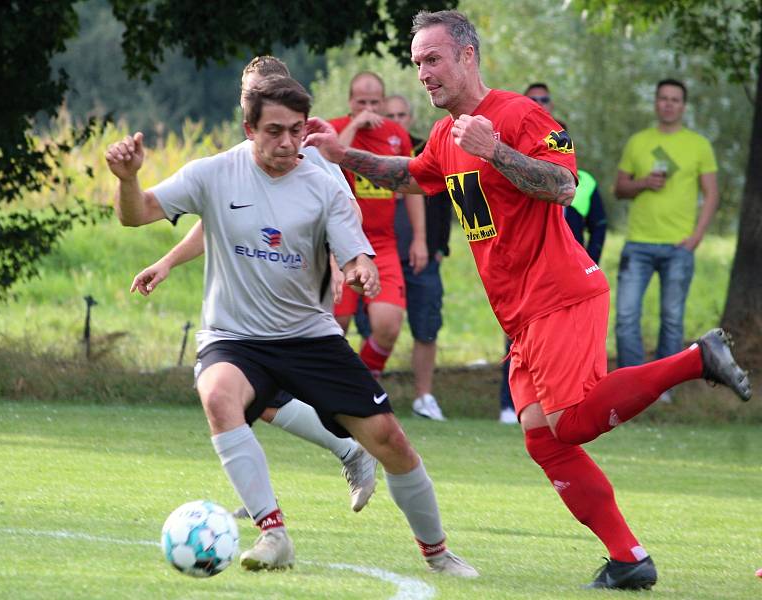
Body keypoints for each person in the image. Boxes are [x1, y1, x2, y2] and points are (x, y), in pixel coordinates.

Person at [304, 9, 751, 590]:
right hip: (521, 314)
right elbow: (411, 175)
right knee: (545, 441)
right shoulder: (445, 133)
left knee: (569, 424)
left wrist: (497, 152)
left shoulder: (518, 116)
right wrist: (343, 157)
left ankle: (696, 359)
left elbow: (564, 185)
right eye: (416, 64)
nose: (424, 74)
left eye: (433, 59)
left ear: (468, 55)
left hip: (560, 293)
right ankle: (629, 557)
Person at [106, 75, 477, 576]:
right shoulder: (214, 173)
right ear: (249, 128)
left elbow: (355, 253)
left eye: (296, 131)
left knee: (390, 441)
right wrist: (128, 180)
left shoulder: (324, 184)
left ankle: (438, 553)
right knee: (218, 396)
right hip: (234, 339)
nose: (287, 143)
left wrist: (361, 270)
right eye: (274, 131)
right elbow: (137, 214)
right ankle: (273, 533)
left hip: (309, 337)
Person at [129, 56, 378, 515]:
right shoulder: (245, 157)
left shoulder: (307, 152)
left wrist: (337, 262)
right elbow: (219, 223)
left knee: (252, 394)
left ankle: (348, 453)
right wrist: (167, 261)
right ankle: (270, 493)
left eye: (254, 93)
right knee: (248, 397)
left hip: (299, 297)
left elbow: (342, 212)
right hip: (252, 307)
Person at [499, 94, 608, 423]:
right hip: (520, 282)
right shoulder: (511, 171)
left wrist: (590, 261)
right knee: (516, 348)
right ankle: (509, 405)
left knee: (573, 416)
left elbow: (598, 225)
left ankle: (691, 363)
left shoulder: (581, 180)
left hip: (564, 281)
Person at [614, 79, 720, 400]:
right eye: (663, 98)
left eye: (675, 99)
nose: (669, 104)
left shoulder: (698, 145)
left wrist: (696, 237)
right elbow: (619, 189)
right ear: (656, 103)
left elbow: (712, 194)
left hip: (678, 247)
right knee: (626, 317)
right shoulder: (638, 142)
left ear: (683, 106)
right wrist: (643, 182)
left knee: (672, 320)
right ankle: (633, 390)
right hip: (638, 243)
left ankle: (662, 390)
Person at [355, 93, 453, 421]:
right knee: (375, 327)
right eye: (390, 114)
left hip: (419, 256)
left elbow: (441, 201)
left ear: (410, 118)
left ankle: (424, 397)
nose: (396, 120)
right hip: (376, 255)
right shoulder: (365, 150)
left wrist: (435, 246)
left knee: (426, 328)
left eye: (402, 114)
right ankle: (365, 393)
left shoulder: (426, 150)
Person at [330, 73, 429, 379]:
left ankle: (362, 381)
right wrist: (356, 125)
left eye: (375, 102)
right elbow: (330, 160)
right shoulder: (334, 129)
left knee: (388, 324)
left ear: (384, 102)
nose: (369, 108)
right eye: (361, 102)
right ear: (350, 102)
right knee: (337, 324)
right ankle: (327, 389)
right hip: (338, 243)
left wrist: (420, 239)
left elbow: (412, 186)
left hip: (381, 244)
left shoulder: (397, 134)